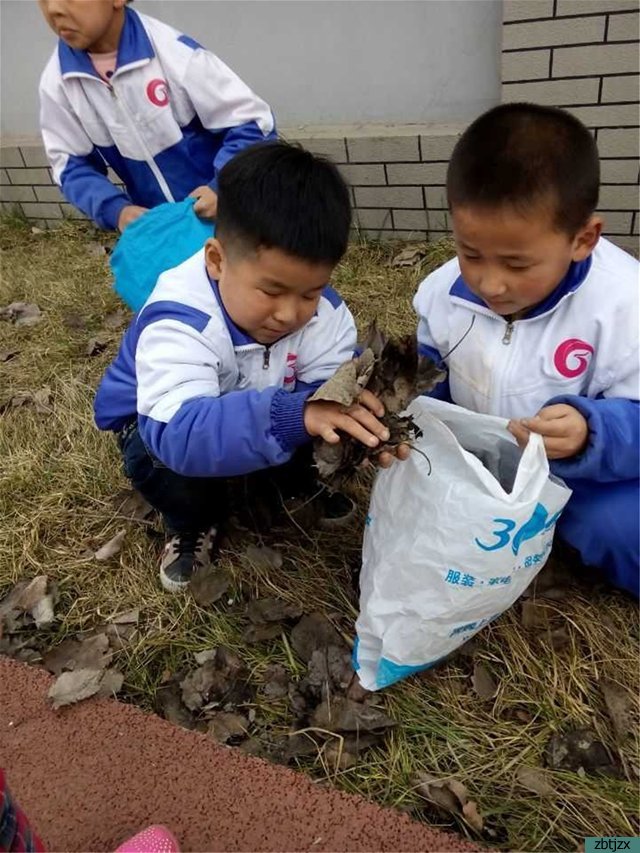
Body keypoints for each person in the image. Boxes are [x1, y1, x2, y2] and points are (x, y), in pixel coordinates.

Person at [94, 141, 403, 592]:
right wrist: (297, 414)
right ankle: (189, 523)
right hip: (159, 425)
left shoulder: (327, 317)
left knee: (315, 419)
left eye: (309, 292)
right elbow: (177, 432)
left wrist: (358, 422)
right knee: (157, 457)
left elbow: (326, 394)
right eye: (272, 291)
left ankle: (289, 487)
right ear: (217, 260)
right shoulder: (180, 318)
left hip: (252, 410)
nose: (290, 314)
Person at [413, 103, 639, 597]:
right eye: (470, 253)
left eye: (517, 264)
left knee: (621, 529)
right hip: (481, 466)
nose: (490, 283)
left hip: (579, 477)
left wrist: (590, 433)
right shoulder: (442, 292)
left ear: (583, 239)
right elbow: (429, 377)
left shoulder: (625, 306)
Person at [37, 0, 276, 232]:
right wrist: (116, 210)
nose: (54, 9)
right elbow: (70, 165)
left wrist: (224, 186)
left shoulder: (175, 53)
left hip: (234, 219)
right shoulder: (58, 84)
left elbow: (254, 123)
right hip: (165, 233)